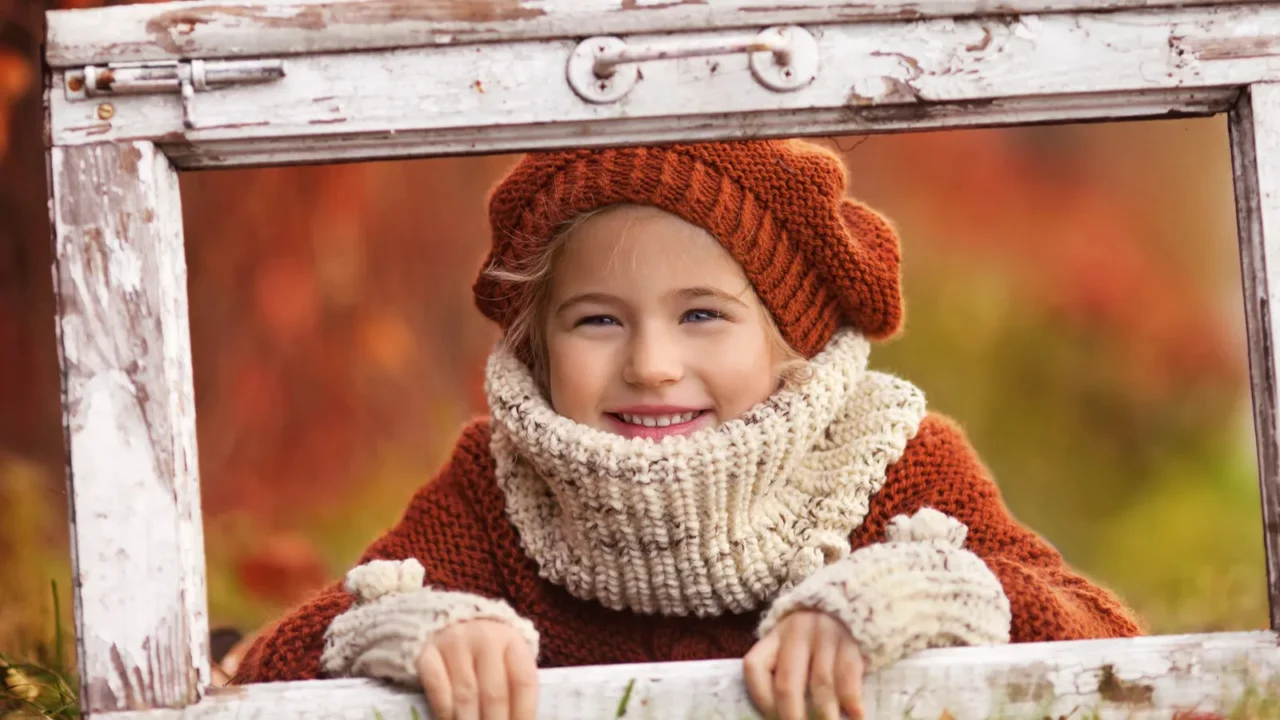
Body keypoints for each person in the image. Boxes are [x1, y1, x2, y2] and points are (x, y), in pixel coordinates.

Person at [233, 139, 1142, 720]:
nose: (653, 365)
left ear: (788, 341)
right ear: (538, 346)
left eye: (703, 315)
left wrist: (928, 595)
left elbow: (1123, 660)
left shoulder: (886, 464)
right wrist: (411, 633)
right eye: (597, 320)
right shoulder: (501, 489)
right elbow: (264, 669)